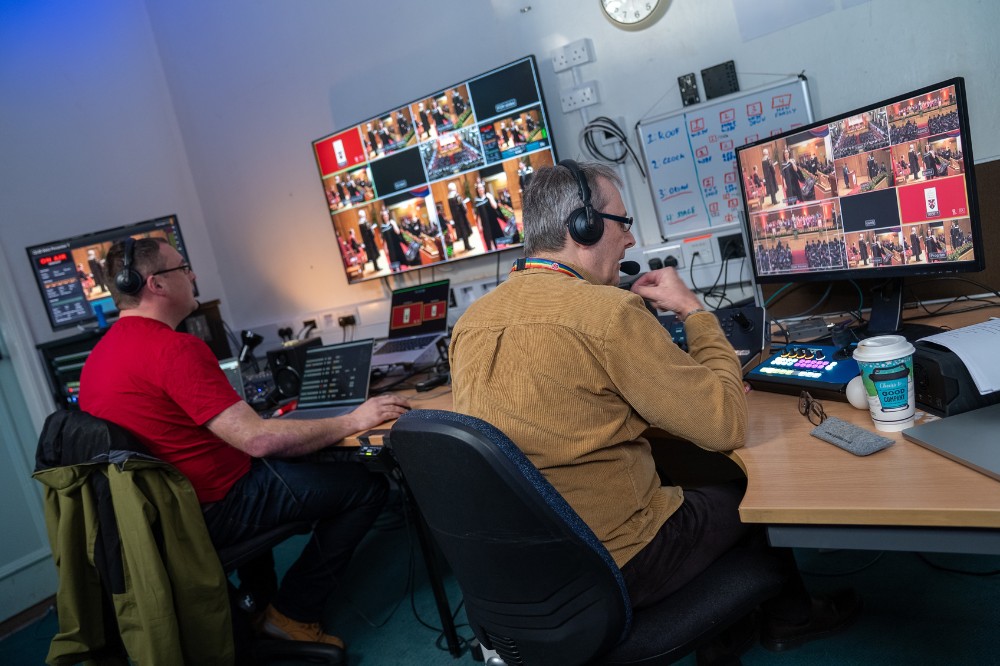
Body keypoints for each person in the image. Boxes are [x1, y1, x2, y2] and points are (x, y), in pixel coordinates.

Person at [449, 161, 860, 658]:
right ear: (586, 226)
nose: (628, 241)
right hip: (619, 558)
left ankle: (734, 629)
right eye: (622, 224)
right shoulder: (608, 314)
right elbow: (724, 424)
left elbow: (556, 412)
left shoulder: (471, 323)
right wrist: (693, 311)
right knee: (743, 493)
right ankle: (789, 620)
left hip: (525, 571)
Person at [79, 237, 410, 649]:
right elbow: (260, 440)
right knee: (366, 487)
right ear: (155, 284)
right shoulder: (173, 348)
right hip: (215, 506)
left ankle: (257, 603)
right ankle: (293, 613)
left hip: (164, 518)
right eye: (182, 267)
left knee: (297, 467)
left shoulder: (99, 358)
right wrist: (354, 419)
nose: (192, 274)